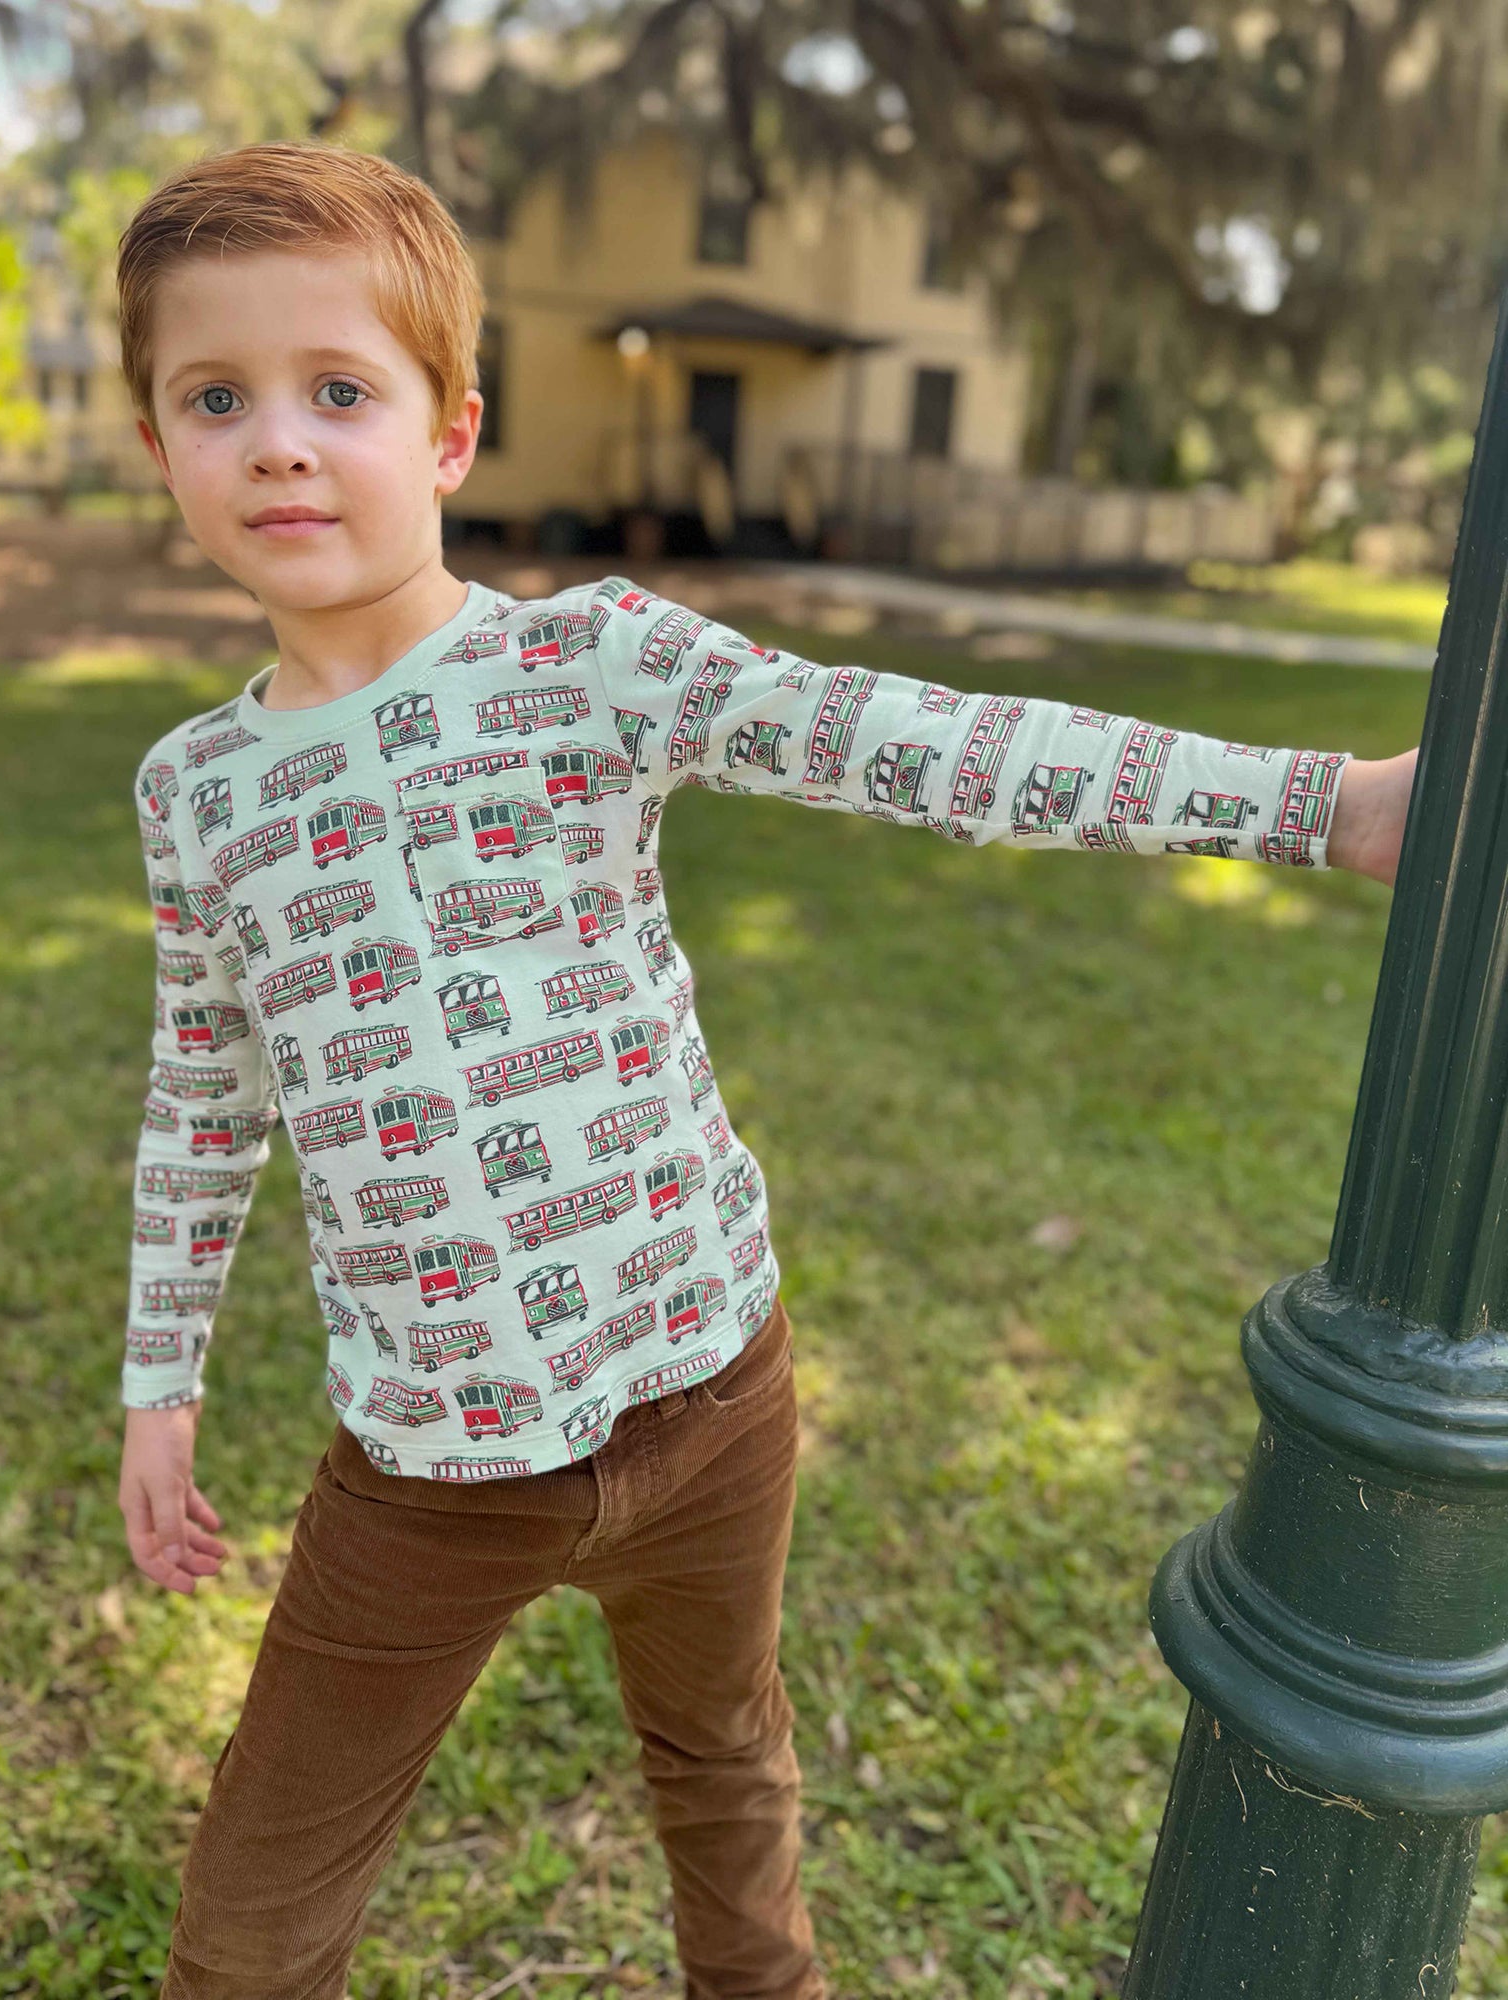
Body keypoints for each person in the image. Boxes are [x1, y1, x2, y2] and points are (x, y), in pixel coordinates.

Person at [109, 142, 1418, 1997]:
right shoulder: (195, 791)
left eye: (341, 391)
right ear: (158, 446)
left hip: (712, 1397)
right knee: (252, 1923)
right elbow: (204, 1093)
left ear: (452, 432)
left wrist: (1327, 807)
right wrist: (162, 1381)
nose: (280, 445)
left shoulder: (591, 669)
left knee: (726, 1775)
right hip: (423, 1465)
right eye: (214, 399)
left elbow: (932, 745)